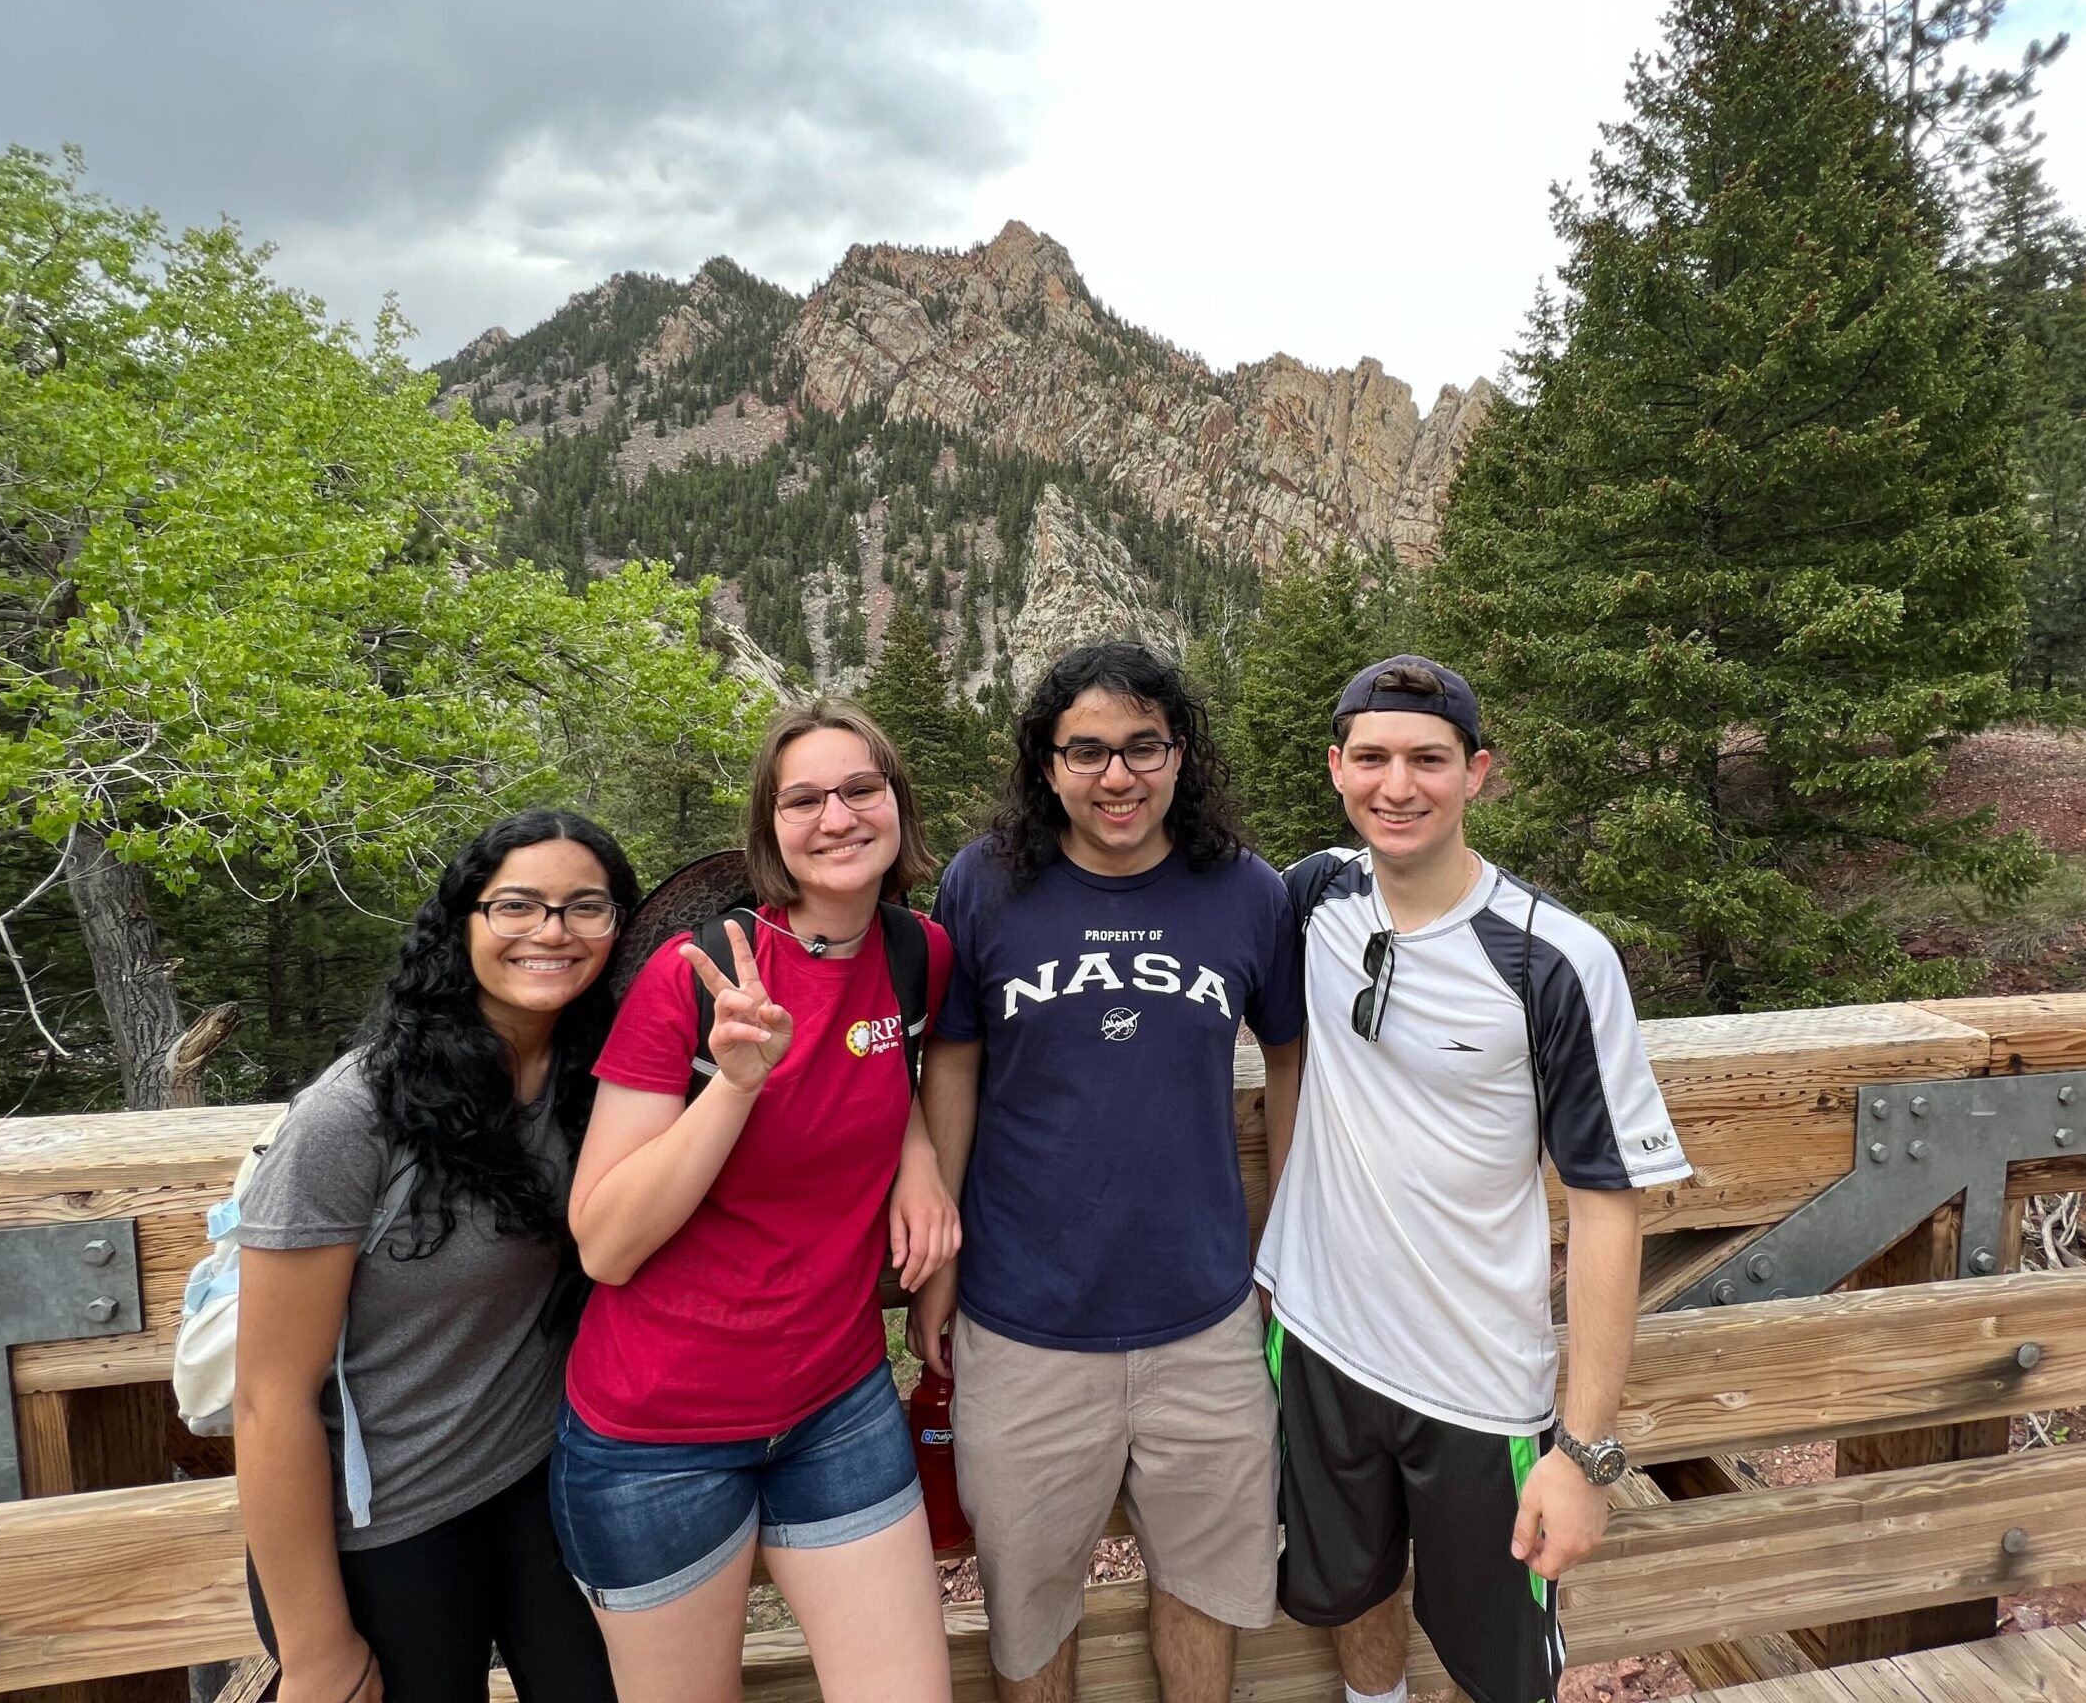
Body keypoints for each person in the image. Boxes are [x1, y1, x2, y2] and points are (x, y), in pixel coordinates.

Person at [1254, 657, 1694, 1703]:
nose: (1395, 787)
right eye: (1371, 758)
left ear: (1477, 773)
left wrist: (1582, 1454)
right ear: (1334, 768)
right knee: (1346, 1591)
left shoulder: (1551, 959)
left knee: (1497, 1660)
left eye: (1427, 760)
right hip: (1314, 1335)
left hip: (1475, 1381)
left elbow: (1606, 1206)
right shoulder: (1310, 894)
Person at [910, 640, 1305, 1703]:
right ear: (1045, 763)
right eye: (1085, 751)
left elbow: (1290, 1052)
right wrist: (939, 1252)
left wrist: (1289, 1235)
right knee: (1029, 1603)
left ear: (1182, 756)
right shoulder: (985, 884)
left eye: (1143, 747)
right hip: (1022, 1317)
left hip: (1206, 1317)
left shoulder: (1245, 892)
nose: (1116, 776)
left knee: (1206, 1588)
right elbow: (950, 1059)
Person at [551, 701, 959, 1703]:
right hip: (660, 1432)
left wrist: (918, 1152)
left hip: (838, 1404)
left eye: (860, 790)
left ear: (897, 806)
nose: (837, 817)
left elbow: (868, 1063)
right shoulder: (692, 982)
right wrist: (734, 1084)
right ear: (768, 830)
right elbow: (604, 1242)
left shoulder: (918, 956)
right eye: (804, 799)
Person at [237, 808, 635, 1703]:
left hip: (540, 1479)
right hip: (382, 1526)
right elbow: (270, 1401)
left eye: (586, 908)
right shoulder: (354, 1117)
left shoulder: (598, 1082)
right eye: (518, 906)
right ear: (463, 923)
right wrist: (316, 1654)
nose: (553, 932)